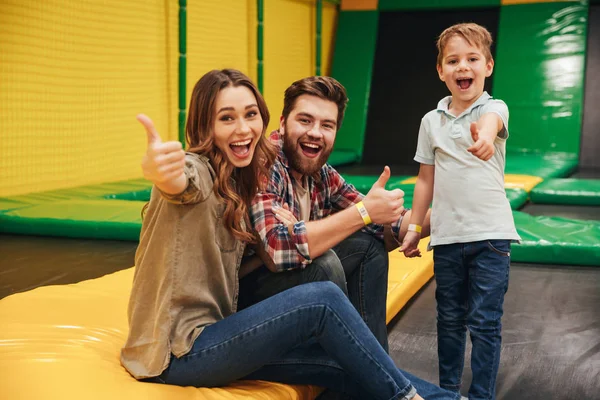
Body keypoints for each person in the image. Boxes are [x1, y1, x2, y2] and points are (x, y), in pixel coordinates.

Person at [120, 68, 460, 400]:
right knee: (322, 295)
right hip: (178, 351)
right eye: (226, 118)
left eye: (250, 115)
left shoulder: (242, 177)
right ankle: (402, 395)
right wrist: (162, 173)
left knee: (347, 356)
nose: (242, 128)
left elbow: (386, 225)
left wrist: (457, 215)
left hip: (220, 330)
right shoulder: (205, 172)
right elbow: (182, 184)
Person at [242, 76, 432, 355]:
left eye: (326, 125)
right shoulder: (265, 162)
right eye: (305, 121)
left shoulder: (320, 173)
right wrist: (364, 213)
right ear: (283, 124)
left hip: (287, 287)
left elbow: (387, 227)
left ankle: (374, 362)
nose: (316, 133)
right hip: (245, 305)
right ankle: (350, 361)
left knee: (368, 246)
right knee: (325, 263)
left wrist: (452, 216)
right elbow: (277, 251)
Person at [399, 23, 520, 400]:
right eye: (453, 61)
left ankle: (481, 394)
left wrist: (484, 137)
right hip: (448, 238)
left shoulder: (494, 108)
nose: (462, 67)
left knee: (484, 322)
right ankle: (449, 391)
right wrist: (414, 227)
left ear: (488, 66)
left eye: (471, 59)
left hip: (491, 238)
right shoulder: (430, 121)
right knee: (449, 320)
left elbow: (491, 123)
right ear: (441, 71)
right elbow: (424, 181)